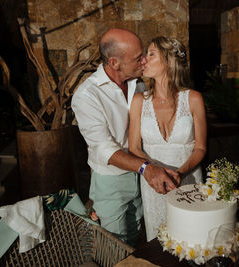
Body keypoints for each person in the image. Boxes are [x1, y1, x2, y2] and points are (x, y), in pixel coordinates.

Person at [71, 29, 180, 246]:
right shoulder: (87, 96)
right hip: (111, 181)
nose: (143, 61)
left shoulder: (137, 83)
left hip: (141, 176)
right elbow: (104, 149)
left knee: (139, 237)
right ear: (115, 63)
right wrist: (146, 168)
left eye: (145, 55)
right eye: (137, 57)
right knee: (115, 246)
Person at [129, 36, 207, 241]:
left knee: (193, 241)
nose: (144, 60)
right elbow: (134, 147)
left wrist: (179, 173)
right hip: (154, 185)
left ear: (170, 61)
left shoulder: (194, 99)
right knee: (159, 242)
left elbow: (200, 148)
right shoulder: (139, 101)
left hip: (188, 180)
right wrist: (156, 171)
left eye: (151, 54)